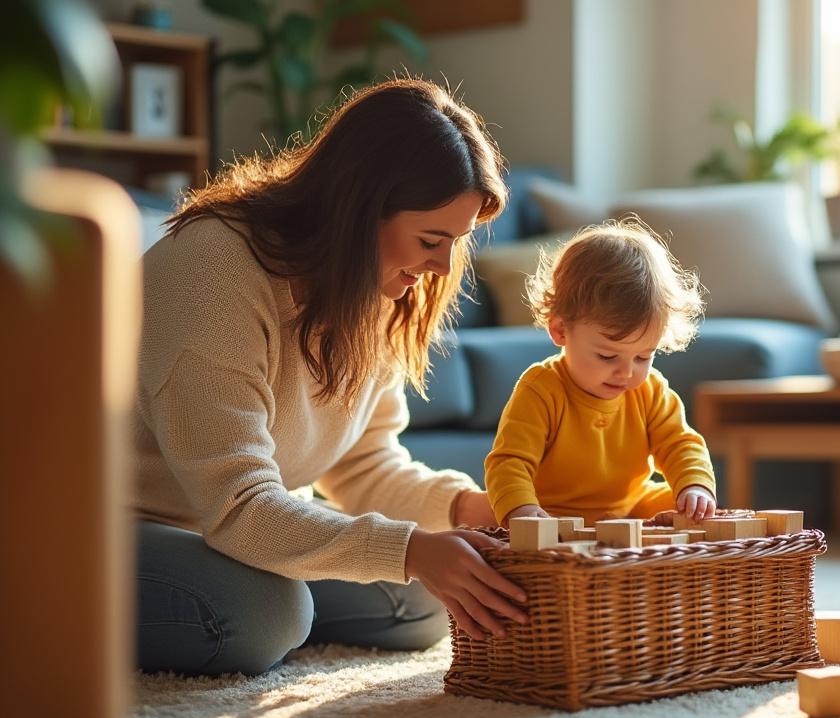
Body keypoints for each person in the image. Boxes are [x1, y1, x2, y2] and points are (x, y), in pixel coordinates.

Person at [134, 79, 529, 676]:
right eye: (430, 240)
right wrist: (408, 549)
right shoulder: (209, 272)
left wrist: (470, 510)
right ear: (359, 210)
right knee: (269, 612)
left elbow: (364, 465)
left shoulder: (377, 288)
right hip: (111, 526)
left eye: (457, 243)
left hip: (231, 536)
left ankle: (259, 615)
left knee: (430, 594)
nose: (443, 267)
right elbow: (240, 507)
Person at [485, 219, 717, 526]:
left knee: (693, 511)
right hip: (555, 514)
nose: (625, 372)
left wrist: (695, 486)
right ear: (559, 330)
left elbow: (679, 444)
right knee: (520, 512)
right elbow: (510, 462)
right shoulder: (541, 389)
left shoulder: (651, 391)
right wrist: (523, 512)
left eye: (643, 356)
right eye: (607, 356)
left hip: (630, 507)